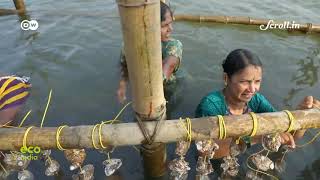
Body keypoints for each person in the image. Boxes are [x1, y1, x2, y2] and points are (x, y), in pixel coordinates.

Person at [195, 49, 320, 158]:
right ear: (226, 78)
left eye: (257, 81)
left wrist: (301, 116)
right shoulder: (211, 105)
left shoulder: (257, 101)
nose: (252, 89)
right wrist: (258, 136)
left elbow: (288, 137)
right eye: (244, 82)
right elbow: (205, 152)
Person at [117, 1, 183, 103]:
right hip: (144, 87)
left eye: (171, 23)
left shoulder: (174, 46)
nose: (171, 29)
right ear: (149, 27)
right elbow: (125, 65)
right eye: (164, 25)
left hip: (169, 88)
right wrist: (123, 86)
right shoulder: (130, 46)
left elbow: (163, 74)